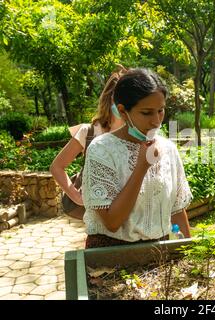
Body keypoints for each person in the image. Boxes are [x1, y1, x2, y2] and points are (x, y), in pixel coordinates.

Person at [81, 67, 192, 248]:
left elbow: (177, 210)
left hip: (160, 254)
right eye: (146, 112)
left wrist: (190, 252)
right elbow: (112, 222)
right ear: (123, 111)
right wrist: (141, 167)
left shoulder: (169, 149)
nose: (156, 120)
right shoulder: (102, 150)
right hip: (111, 257)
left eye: (161, 110)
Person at [50, 66, 127, 218]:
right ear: (109, 97)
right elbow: (57, 167)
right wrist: (78, 198)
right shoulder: (89, 132)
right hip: (95, 213)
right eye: (119, 96)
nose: (123, 103)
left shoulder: (135, 134)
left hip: (126, 210)